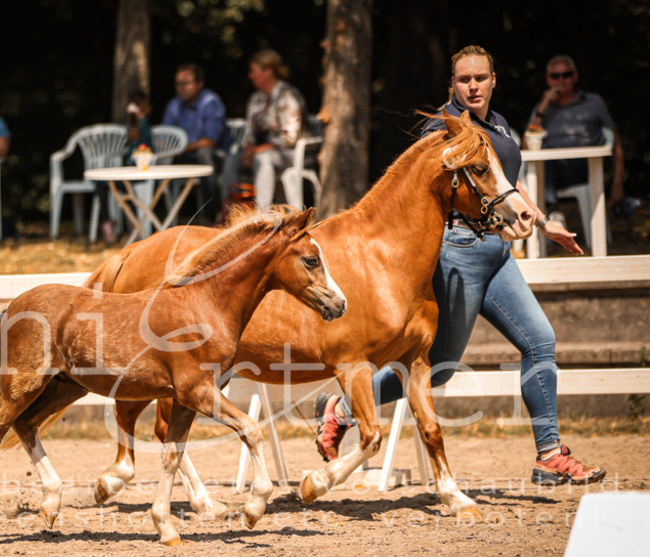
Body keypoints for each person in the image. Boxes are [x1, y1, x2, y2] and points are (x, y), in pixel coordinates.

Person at [315, 45, 606, 486]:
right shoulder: (444, 130)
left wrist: (543, 223)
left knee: (540, 340)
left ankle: (549, 453)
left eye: (480, 78)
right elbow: (419, 194)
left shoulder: (500, 124)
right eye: (464, 79)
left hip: (499, 254)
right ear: (452, 84)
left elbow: (505, 186)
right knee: (443, 365)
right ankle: (342, 410)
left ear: (493, 81)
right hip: (458, 251)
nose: (473, 86)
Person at [526, 55, 625, 225]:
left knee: (547, 162)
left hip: (586, 167)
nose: (561, 80)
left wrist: (618, 183)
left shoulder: (594, 102)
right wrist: (543, 107)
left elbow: (615, 142)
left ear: (575, 76)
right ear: (548, 79)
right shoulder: (542, 109)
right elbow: (526, 144)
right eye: (555, 76)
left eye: (566, 74)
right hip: (552, 169)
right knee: (545, 161)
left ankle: (552, 211)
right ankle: (553, 212)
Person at [221, 49, 306, 211]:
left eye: (254, 71)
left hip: (292, 153)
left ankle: (262, 215)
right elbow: (249, 132)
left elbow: (290, 138)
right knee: (232, 160)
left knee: (263, 159)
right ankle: (229, 213)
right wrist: (249, 148)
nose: (250, 75)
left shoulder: (288, 96)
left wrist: (257, 151)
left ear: (268, 71)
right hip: (261, 151)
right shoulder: (256, 99)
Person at [161, 63, 231, 222]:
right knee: (158, 159)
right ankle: (161, 219)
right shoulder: (174, 105)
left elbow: (209, 141)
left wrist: (180, 149)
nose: (181, 88)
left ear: (200, 84)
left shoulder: (211, 102)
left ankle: (210, 216)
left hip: (217, 157)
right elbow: (165, 139)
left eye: (186, 83)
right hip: (185, 156)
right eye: (178, 84)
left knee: (204, 154)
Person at [98, 90, 153, 243]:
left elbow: (148, 144)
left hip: (139, 172)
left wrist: (141, 119)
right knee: (102, 185)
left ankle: (135, 226)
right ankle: (107, 222)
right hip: (127, 172)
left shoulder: (144, 126)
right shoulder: (131, 127)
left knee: (124, 188)